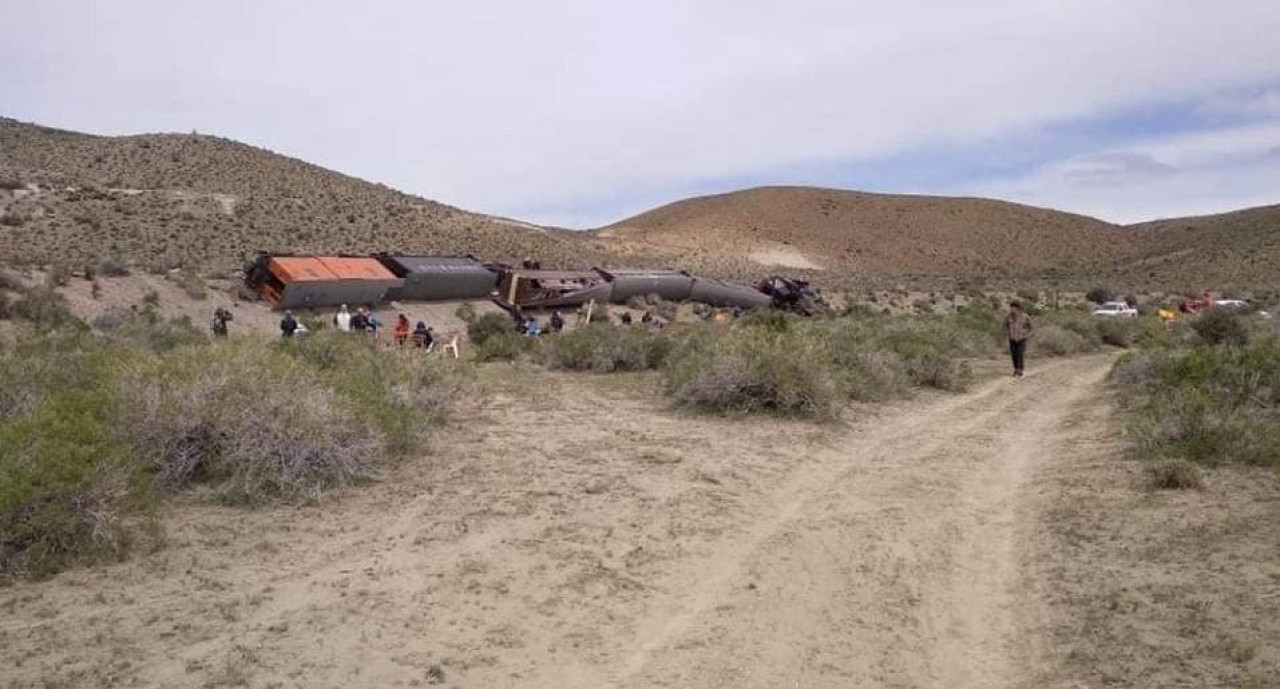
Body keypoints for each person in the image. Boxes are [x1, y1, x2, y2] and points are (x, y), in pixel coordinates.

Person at [1004, 300, 1034, 378]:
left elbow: (1031, 327)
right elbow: (1006, 325)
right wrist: (1008, 333)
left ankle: (1020, 370)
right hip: (1012, 338)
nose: (1011, 309)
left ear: (1018, 308)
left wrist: (1027, 335)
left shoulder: (1025, 316)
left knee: (1020, 354)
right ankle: (1016, 369)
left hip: (1022, 339)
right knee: (1014, 354)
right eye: (1011, 307)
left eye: (1013, 308)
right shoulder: (1008, 317)